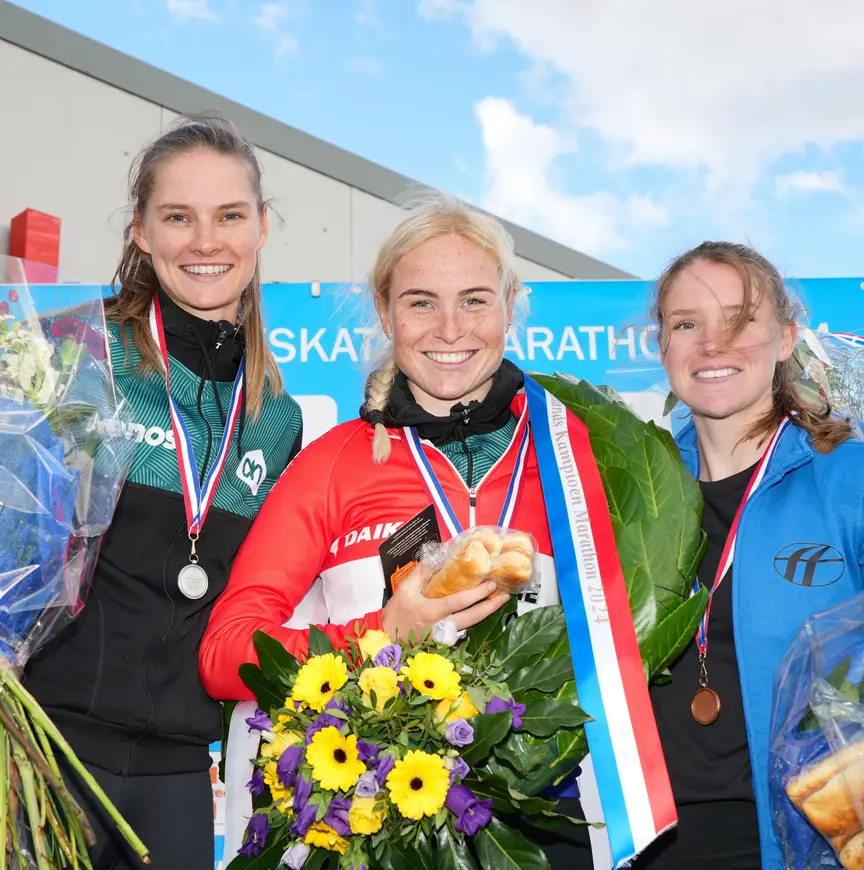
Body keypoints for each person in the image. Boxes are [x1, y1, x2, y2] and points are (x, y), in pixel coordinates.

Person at [199, 194, 603, 864]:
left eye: (475, 300)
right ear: (385, 310)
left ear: (511, 304)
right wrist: (381, 636)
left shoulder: (575, 453)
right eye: (420, 301)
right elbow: (224, 654)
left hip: (549, 824)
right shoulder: (330, 462)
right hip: (380, 827)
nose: (449, 327)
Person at [23, 113, 302, 869]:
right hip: (43, 752)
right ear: (142, 231)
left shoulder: (275, 417)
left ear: (262, 228)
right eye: (178, 217)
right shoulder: (73, 354)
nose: (205, 241)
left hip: (179, 776)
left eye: (229, 216)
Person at [635, 242, 864, 870]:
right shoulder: (631, 496)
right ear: (663, 346)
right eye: (687, 325)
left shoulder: (848, 480)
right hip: (650, 847)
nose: (713, 344)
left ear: (786, 337)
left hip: (802, 848)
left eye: (739, 322)